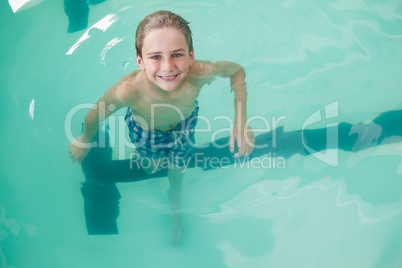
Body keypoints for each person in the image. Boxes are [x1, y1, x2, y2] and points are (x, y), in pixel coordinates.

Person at [68, 10, 254, 245]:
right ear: (140, 61)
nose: (168, 67)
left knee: (178, 168)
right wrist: (84, 139)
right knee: (150, 165)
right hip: (145, 131)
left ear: (190, 56)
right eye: (155, 57)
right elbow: (95, 114)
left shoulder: (198, 73)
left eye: (177, 55)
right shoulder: (129, 90)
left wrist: (241, 120)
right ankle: (152, 163)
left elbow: (236, 72)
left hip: (184, 127)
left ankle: (174, 201)